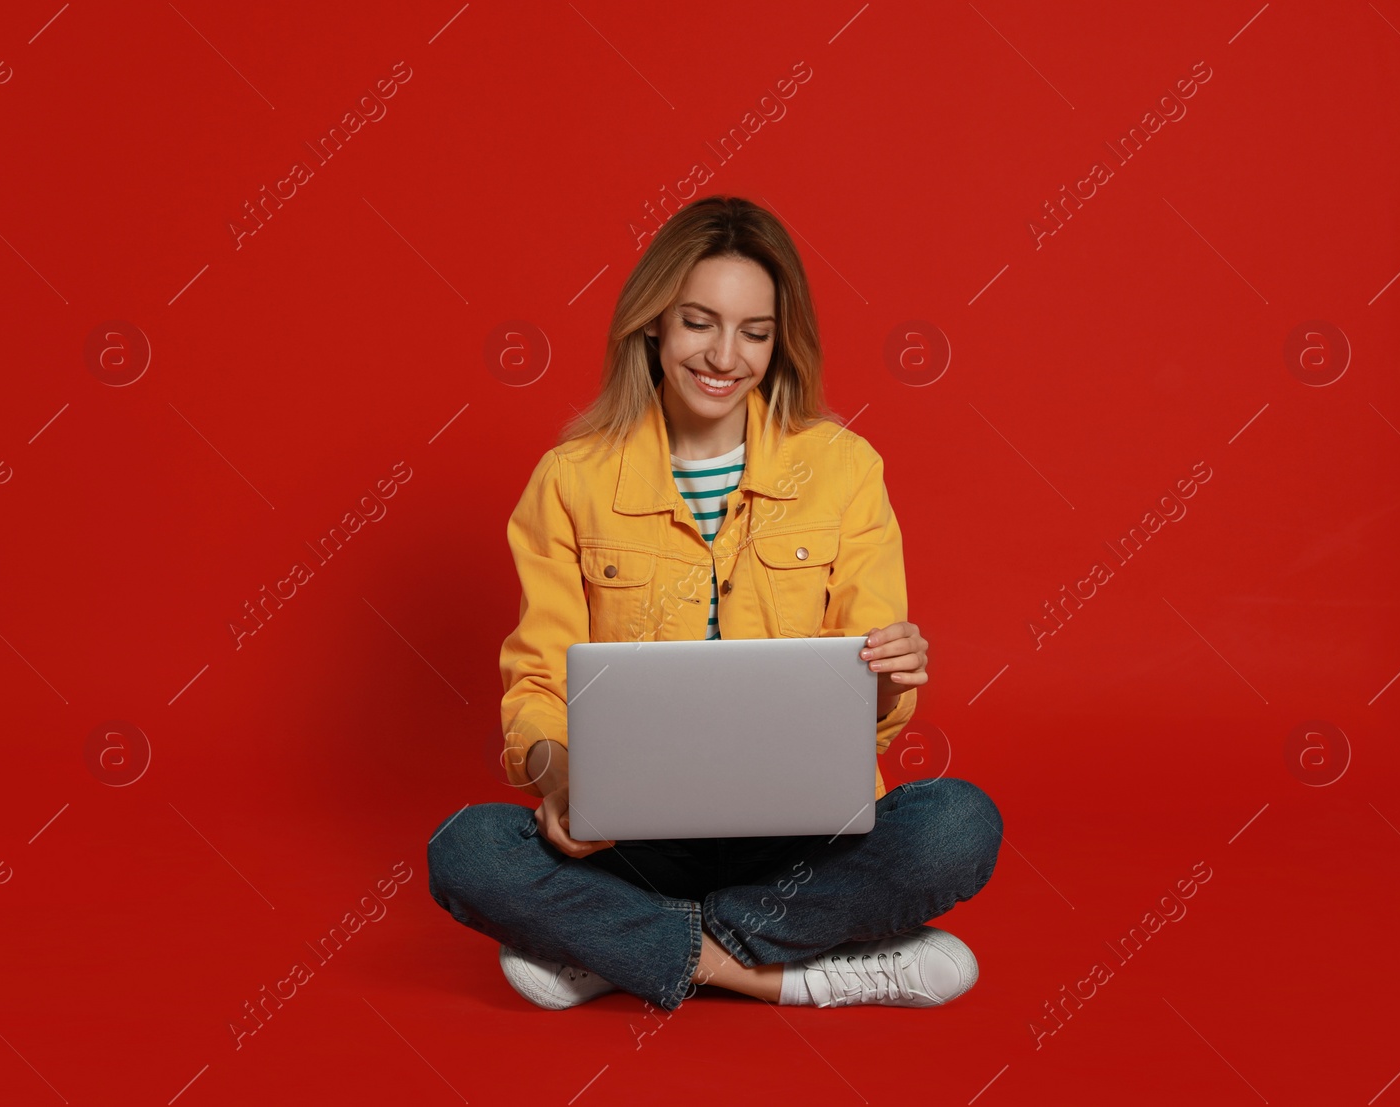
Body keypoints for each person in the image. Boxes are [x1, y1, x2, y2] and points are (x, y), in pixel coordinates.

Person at [427, 196, 1003, 1013]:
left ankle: (619, 946)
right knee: (467, 849)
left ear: (779, 341)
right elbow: (538, 689)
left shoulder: (845, 468)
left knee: (957, 823)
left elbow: (871, 712)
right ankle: (781, 975)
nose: (725, 355)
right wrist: (557, 778)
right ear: (655, 322)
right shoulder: (570, 479)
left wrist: (890, 675)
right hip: (631, 843)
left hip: (804, 845)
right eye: (700, 321)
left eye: (755, 332)